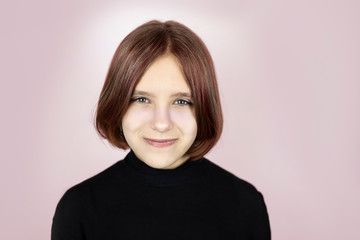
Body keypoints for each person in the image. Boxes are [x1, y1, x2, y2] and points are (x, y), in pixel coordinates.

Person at [51, 20, 271, 240]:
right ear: (117, 104)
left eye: (182, 102)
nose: (161, 123)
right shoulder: (78, 209)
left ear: (204, 108)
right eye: (142, 99)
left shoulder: (246, 206)